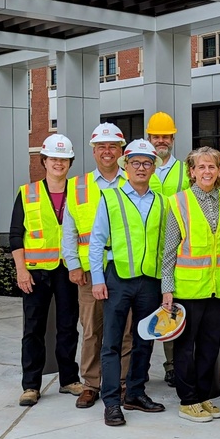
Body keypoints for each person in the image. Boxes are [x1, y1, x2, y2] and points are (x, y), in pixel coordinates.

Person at [89, 139, 167, 427]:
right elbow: (96, 242)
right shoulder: (110, 197)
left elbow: (165, 246)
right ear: (126, 166)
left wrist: (165, 284)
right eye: (136, 163)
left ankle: (135, 393)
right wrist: (98, 279)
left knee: (144, 339)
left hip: (150, 281)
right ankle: (111, 402)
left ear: (153, 168)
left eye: (147, 163)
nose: (141, 168)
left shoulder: (161, 201)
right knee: (111, 343)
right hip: (118, 279)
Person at [62, 123, 133, 409]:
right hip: (90, 272)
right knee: (91, 330)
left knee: (125, 330)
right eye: (101, 146)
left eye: (113, 146)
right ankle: (91, 384)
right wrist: (73, 264)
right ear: (93, 151)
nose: (107, 151)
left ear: (121, 151)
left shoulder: (133, 181)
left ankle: (122, 383)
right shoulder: (78, 185)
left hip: (125, 269)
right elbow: (68, 229)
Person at [160, 146, 220, 423]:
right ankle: (188, 399)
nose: (206, 172)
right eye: (201, 167)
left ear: (219, 171)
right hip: (187, 288)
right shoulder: (179, 202)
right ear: (191, 172)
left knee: (211, 346)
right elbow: (169, 251)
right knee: (185, 347)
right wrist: (167, 289)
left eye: (212, 166)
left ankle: (203, 396)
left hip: (217, 288)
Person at [11, 134, 82, 406]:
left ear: (70, 162)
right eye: (54, 158)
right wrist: (21, 270)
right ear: (44, 161)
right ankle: (31, 385)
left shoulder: (78, 192)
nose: (58, 164)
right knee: (33, 329)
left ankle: (68, 380)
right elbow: (16, 234)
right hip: (36, 272)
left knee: (67, 327)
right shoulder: (27, 193)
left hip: (68, 269)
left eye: (63, 159)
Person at [145, 111, 191, 388]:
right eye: (156, 136)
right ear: (148, 138)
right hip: (146, 252)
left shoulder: (186, 170)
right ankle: (139, 367)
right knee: (144, 313)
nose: (161, 141)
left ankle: (172, 365)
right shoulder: (137, 167)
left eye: (166, 136)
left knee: (172, 310)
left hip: (177, 253)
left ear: (173, 138)